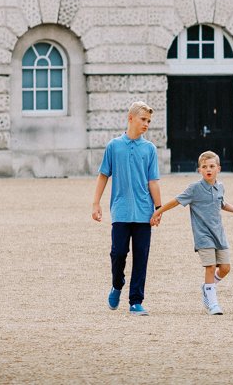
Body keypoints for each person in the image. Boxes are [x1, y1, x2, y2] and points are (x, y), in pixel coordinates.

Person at [151, 149, 233, 315]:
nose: (208, 169)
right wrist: (159, 211)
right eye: (204, 166)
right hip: (203, 235)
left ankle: (208, 288)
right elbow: (175, 201)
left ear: (218, 169)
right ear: (199, 170)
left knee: (225, 268)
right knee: (209, 267)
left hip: (219, 234)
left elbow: (222, 204)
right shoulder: (194, 188)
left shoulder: (220, 187)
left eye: (211, 166)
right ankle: (213, 303)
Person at [91, 99, 161, 315]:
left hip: (144, 212)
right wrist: (96, 203)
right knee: (118, 253)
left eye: (149, 121)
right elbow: (103, 175)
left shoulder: (150, 149)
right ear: (130, 118)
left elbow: (153, 181)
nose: (146, 124)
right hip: (120, 211)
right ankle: (117, 284)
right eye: (143, 119)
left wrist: (158, 208)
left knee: (141, 256)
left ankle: (135, 301)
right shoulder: (114, 146)